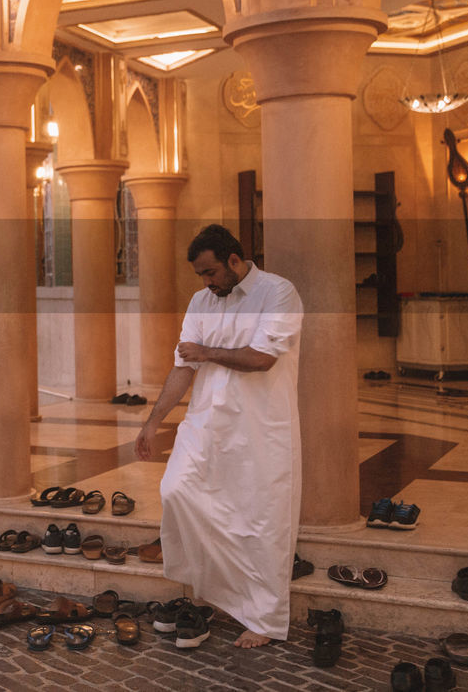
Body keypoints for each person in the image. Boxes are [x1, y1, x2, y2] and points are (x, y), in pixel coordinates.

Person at [134, 224, 303, 649]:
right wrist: (153, 421)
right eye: (200, 276)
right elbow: (183, 366)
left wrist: (207, 352)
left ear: (233, 260)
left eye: (210, 273)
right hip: (205, 424)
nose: (206, 283)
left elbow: (263, 359)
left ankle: (262, 619)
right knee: (175, 492)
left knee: (260, 524)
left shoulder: (279, 293)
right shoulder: (201, 301)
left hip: (260, 430)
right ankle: (214, 594)